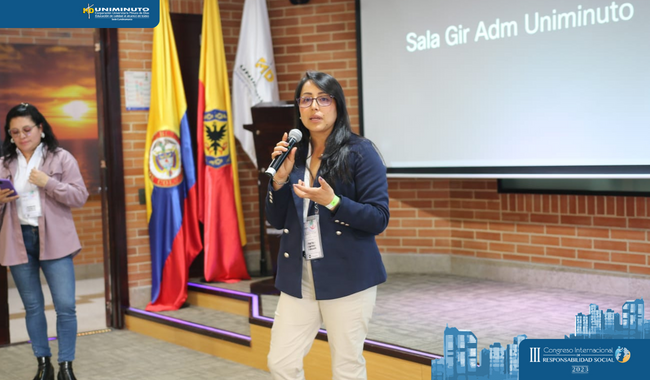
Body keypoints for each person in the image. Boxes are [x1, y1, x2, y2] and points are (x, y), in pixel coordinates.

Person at [265, 71, 390, 380]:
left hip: (348, 275)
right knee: (280, 362)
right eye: (306, 100)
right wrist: (278, 183)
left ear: (337, 105)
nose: (314, 107)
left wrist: (334, 202)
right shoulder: (294, 153)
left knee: (347, 367)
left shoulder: (361, 152)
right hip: (299, 275)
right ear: (298, 108)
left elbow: (378, 218)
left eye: (323, 99)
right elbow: (276, 220)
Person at [0, 103, 88, 380]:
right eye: (15, 132)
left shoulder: (61, 158)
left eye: (27, 129)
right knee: (33, 307)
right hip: (18, 240)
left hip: (56, 240)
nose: (22, 136)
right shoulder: (4, 162)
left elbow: (79, 197)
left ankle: (66, 366)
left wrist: (48, 182)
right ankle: (43, 364)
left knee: (65, 305)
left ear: (40, 128)